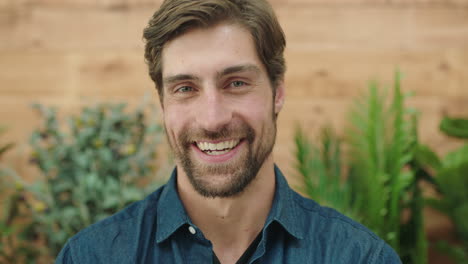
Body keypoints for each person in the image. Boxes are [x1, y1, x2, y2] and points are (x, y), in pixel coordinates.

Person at [56, 0, 402, 263]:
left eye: (236, 83)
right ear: (162, 103)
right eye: (185, 88)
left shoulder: (359, 257)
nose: (212, 119)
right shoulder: (91, 256)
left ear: (277, 92)